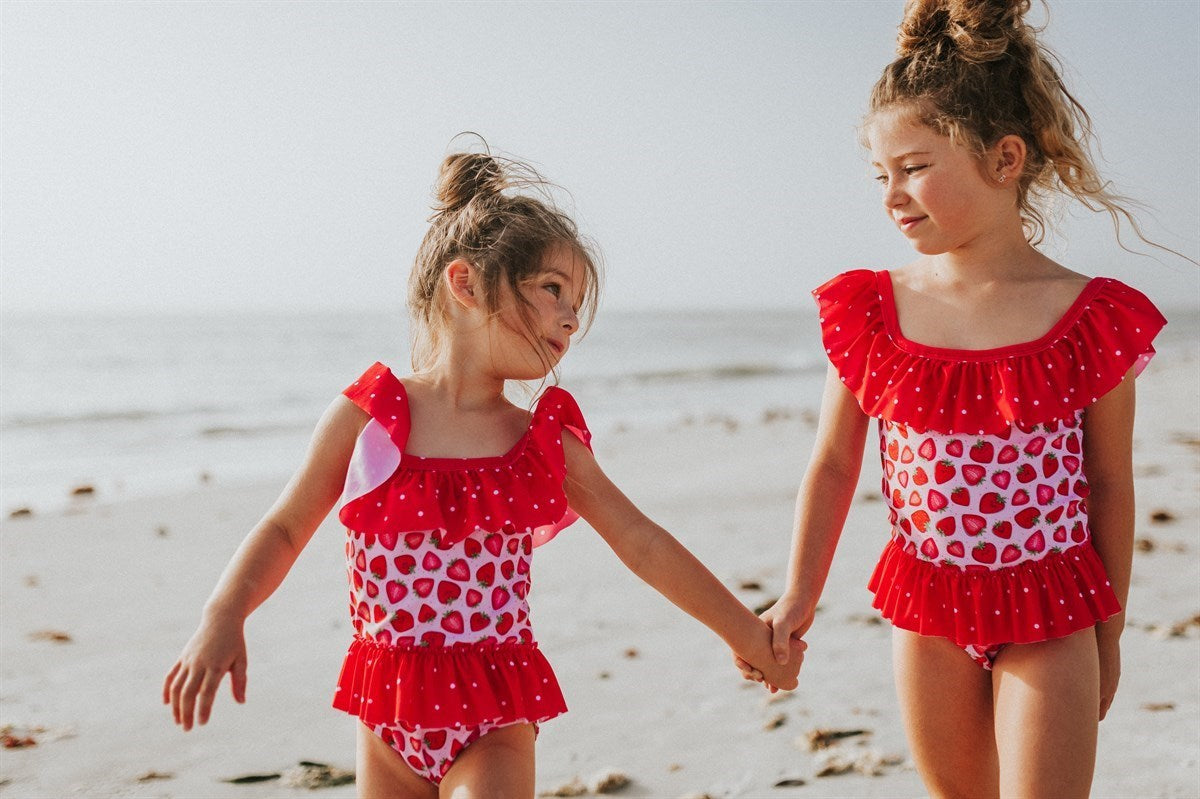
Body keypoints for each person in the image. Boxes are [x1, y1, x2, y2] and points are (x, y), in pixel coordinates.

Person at [163, 149, 802, 796]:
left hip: (492, 717)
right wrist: (225, 613)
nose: (571, 316)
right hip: (386, 717)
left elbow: (642, 541)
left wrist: (747, 631)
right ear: (466, 284)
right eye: (553, 289)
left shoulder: (537, 442)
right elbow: (284, 528)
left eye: (577, 302)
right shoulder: (370, 418)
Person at [737, 1, 1169, 797]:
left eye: (915, 166)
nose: (892, 195)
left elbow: (1110, 482)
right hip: (929, 608)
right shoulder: (872, 312)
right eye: (881, 174)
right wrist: (798, 595)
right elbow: (834, 464)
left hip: (1053, 606)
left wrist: (1110, 632)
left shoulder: (1088, 317)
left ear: (1006, 159)